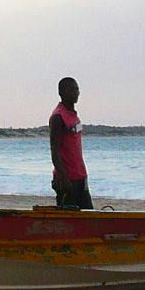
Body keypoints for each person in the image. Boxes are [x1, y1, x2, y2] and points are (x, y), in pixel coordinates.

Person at [49, 77, 92, 210]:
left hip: (80, 176)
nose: (75, 92)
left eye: (77, 89)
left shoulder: (74, 116)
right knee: (69, 221)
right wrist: (64, 178)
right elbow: (55, 151)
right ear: (61, 92)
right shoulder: (58, 117)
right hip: (67, 179)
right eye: (71, 89)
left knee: (88, 217)